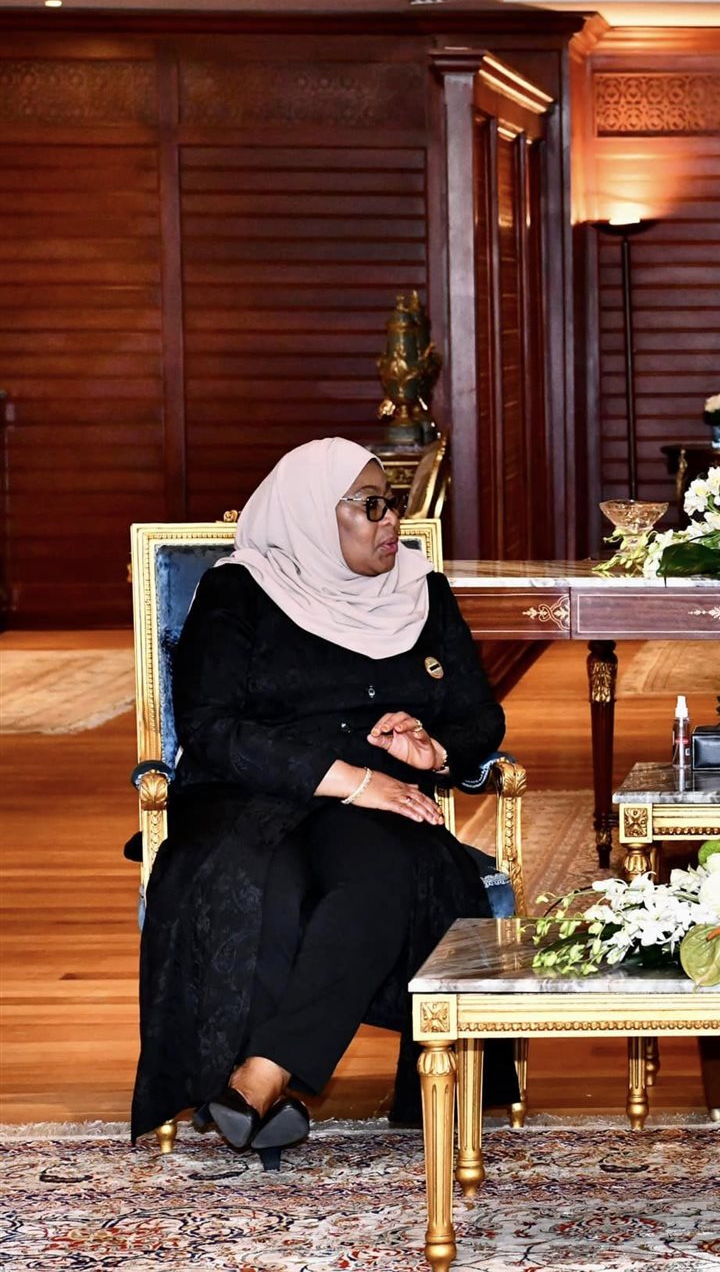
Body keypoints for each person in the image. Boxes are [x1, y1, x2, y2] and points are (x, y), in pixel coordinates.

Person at [131, 438, 508, 1165]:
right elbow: (211, 729)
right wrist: (352, 779)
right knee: (264, 877)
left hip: (381, 802)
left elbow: (480, 718)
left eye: (393, 505)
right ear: (310, 514)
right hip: (249, 795)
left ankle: (262, 1075)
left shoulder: (422, 592)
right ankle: (264, 1077)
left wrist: (435, 750)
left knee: (388, 873)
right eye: (371, 506)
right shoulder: (239, 591)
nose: (390, 521)